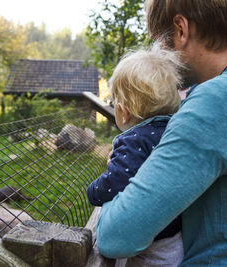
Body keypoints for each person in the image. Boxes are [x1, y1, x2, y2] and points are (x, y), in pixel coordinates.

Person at [96, 0, 227, 266]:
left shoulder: (220, 98)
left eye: (160, 43)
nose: (159, 58)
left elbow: (116, 236)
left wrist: (118, 181)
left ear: (181, 30)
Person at [87, 45, 183, 266]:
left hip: (149, 248)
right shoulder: (175, 131)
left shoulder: (133, 140)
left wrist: (93, 191)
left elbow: (115, 182)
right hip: (175, 237)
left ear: (124, 110)